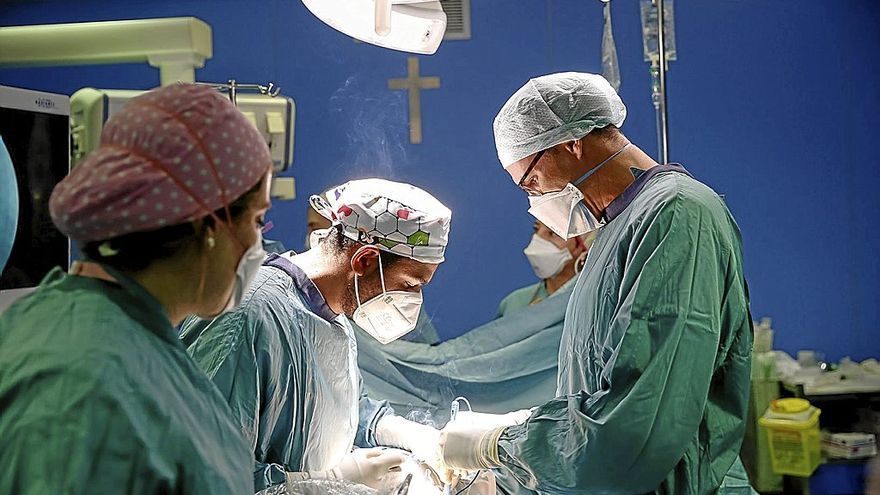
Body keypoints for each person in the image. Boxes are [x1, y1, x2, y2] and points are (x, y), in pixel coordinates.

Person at [440, 72, 754, 494]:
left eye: (530, 181)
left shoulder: (677, 214)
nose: (534, 199)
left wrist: (501, 446)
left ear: (571, 142)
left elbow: (636, 419)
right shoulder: (614, 231)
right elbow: (595, 387)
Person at [0, 84, 273, 494]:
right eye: (256, 221)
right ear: (208, 225)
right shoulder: (82, 386)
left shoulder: (131, 334)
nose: (258, 246)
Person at [179, 178, 454, 492]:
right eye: (410, 284)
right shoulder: (247, 314)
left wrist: (399, 431)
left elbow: (336, 415)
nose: (414, 300)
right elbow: (198, 470)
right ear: (364, 261)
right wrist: (330, 481)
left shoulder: (334, 321)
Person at [496, 220, 594, 318]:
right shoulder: (514, 303)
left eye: (553, 233)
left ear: (583, 245)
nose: (538, 239)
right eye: (536, 229)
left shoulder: (594, 304)